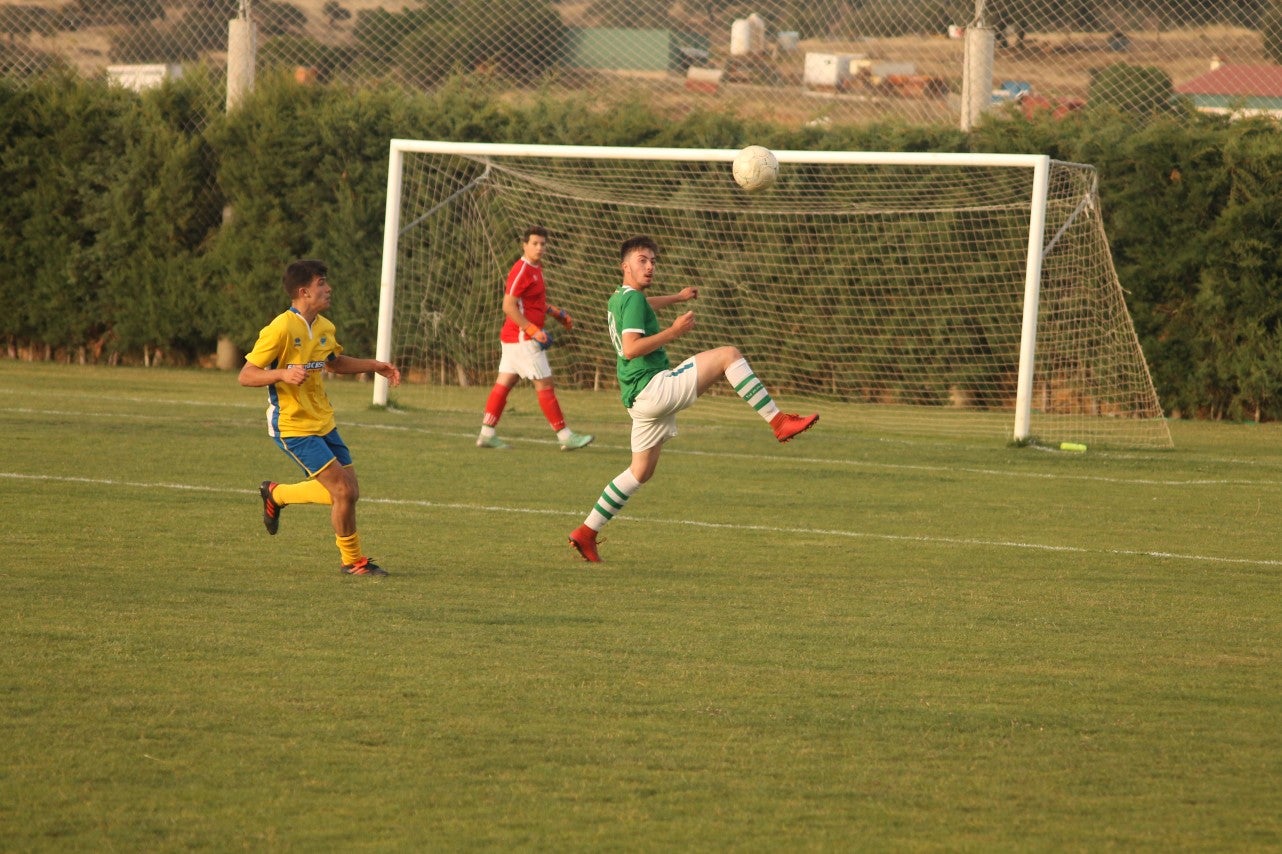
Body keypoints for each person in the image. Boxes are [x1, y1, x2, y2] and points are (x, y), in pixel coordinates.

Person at [567, 235, 819, 562]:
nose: (650, 266)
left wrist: (677, 297)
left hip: (637, 397)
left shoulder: (620, 298)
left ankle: (587, 532)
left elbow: (644, 305)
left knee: (640, 471)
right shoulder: (632, 301)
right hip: (652, 386)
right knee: (728, 355)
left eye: (654, 261)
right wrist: (673, 332)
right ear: (625, 265)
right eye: (643, 260)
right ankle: (778, 421)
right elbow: (630, 348)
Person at [238, 259, 402, 577]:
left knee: (348, 491)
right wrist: (283, 373)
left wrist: (376, 365)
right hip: (293, 424)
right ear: (304, 291)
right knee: (343, 492)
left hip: (323, 420)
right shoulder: (281, 328)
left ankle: (277, 494)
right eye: (321, 283)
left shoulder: (324, 327)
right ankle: (353, 562)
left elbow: (334, 363)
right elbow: (246, 375)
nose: (328, 288)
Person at [476, 226, 594, 451]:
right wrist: (532, 330)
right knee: (545, 383)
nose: (539, 248)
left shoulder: (535, 269)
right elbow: (508, 306)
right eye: (535, 243)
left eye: (543, 244)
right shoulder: (522, 269)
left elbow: (533, 303)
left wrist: (556, 313)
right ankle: (565, 436)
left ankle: (486, 433)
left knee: (505, 383)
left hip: (514, 337)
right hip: (522, 338)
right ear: (524, 245)